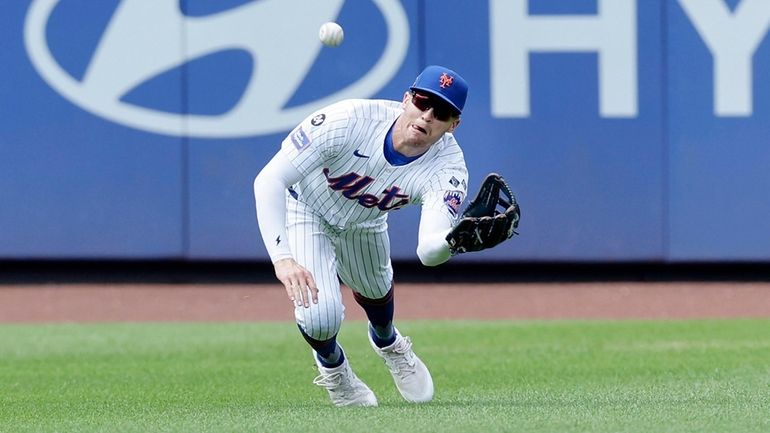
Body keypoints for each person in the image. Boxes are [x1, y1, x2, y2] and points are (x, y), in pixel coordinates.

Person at [253, 65, 470, 407]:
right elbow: (268, 180)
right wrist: (283, 259)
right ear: (406, 99)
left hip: (365, 222)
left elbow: (429, 251)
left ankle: (388, 343)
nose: (427, 116)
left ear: (453, 124)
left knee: (375, 290)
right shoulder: (349, 120)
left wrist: (454, 242)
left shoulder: (448, 168)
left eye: (441, 111)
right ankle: (335, 369)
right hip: (306, 209)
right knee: (319, 316)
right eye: (422, 101)